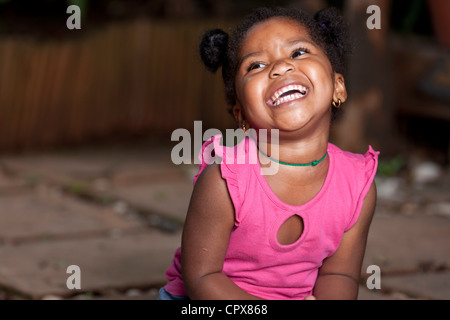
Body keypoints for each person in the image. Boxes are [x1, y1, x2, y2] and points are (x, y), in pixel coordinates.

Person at [158, 6, 379, 300]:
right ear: (242, 116)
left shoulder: (356, 187)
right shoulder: (225, 180)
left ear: (338, 86)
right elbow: (202, 278)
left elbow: (339, 274)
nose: (280, 67)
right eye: (256, 66)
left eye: (299, 52)